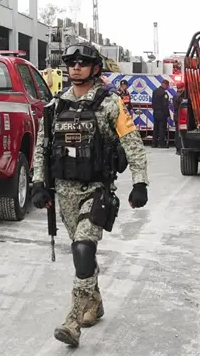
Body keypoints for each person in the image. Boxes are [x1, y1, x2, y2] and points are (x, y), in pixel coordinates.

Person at [30, 43, 148, 347]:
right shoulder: (55, 106)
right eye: (71, 63)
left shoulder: (110, 104)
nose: (76, 68)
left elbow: (132, 143)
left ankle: (72, 322)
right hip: (64, 193)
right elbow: (42, 148)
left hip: (96, 191)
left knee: (83, 250)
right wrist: (38, 183)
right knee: (83, 255)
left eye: (82, 63)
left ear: (95, 68)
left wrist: (140, 183)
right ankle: (93, 303)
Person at [151, 79, 171, 148]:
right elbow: (165, 105)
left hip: (155, 112)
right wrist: (168, 115)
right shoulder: (164, 94)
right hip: (162, 113)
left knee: (155, 128)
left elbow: (153, 103)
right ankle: (161, 143)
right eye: (167, 86)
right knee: (162, 128)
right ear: (165, 85)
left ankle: (154, 143)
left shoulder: (155, 91)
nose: (167, 87)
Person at [173, 81, 186, 155]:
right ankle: (179, 149)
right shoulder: (179, 96)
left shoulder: (175, 95)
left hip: (177, 116)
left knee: (177, 133)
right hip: (180, 117)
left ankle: (178, 149)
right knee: (180, 134)